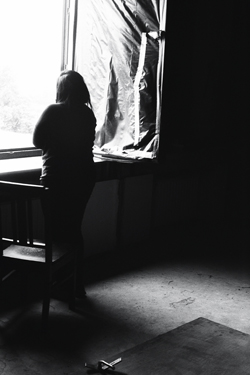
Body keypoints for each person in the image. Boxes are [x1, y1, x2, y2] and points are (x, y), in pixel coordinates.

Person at [33, 70, 96, 297]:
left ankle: (57, 282)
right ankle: (75, 283)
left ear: (61, 89)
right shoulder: (88, 114)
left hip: (56, 177)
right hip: (84, 176)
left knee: (55, 230)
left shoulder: (53, 111)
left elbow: (37, 141)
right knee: (73, 229)